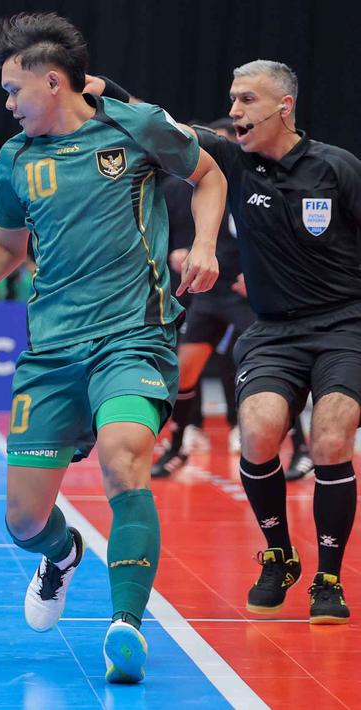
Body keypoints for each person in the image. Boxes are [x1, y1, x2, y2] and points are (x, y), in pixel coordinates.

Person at [0, 13, 225, 683]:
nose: (6, 104)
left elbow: (208, 175)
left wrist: (202, 245)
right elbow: (6, 248)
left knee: (123, 458)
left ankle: (125, 626)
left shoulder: (134, 125)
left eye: (11, 90)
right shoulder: (14, 159)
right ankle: (61, 556)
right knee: (23, 520)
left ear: (52, 81)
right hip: (51, 351)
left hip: (131, 335)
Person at [194, 61, 361, 624]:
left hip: (345, 325)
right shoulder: (234, 165)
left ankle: (328, 577)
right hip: (273, 330)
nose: (234, 111)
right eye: (232, 99)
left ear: (283, 106)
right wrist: (104, 94)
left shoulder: (337, 169)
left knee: (331, 437)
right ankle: (279, 556)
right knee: (261, 433)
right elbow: (166, 126)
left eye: (246, 100)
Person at [152, 119, 311, 480]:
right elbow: (187, 236)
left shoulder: (254, 185)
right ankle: (178, 448)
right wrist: (181, 253)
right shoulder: (196, 187)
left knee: (274, 372)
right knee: (184, 371)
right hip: (209, 295)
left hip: (248, 297)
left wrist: (260, 275)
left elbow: (283, 240)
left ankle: (302, 448)